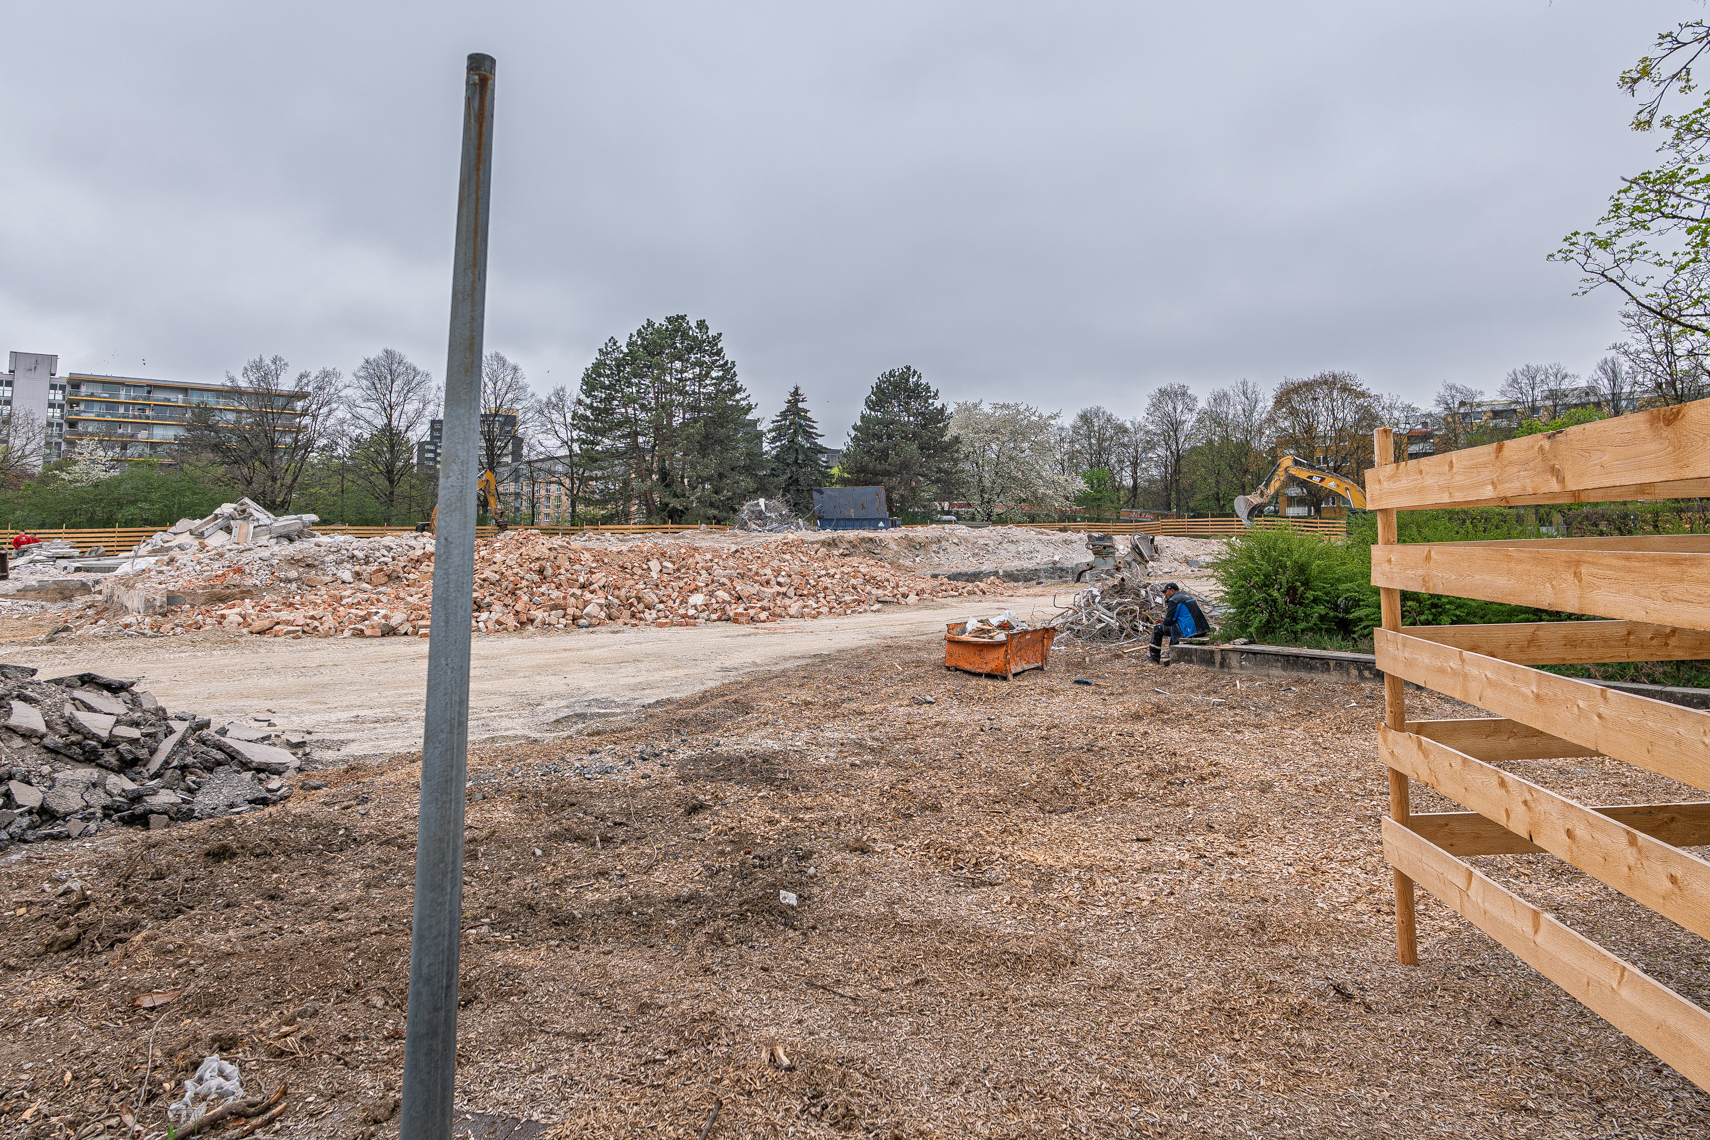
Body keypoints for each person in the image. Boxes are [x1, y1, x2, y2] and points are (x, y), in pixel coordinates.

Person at [1149, 582, 1208, 665]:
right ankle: (1171, 652)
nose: (1164, 594)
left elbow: (1169, 621)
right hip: (1201, 629)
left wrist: (1161, 624)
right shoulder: (1186, 596)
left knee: (1157, 630)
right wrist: (1163, 620)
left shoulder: (1174, 600)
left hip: (1190, 630)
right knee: (1173, 627)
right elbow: (1182, 616)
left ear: (1172, 591)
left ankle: (1154, 659)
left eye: (1165, 592)